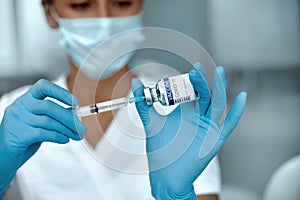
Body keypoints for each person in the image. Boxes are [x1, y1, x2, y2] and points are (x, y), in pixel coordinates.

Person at [0, 0, 247, 199]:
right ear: (49, 13)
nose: (105, 21)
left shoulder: (178, 108)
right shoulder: (17, 117)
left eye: (122, 3)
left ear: (141, 6)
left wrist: (177, 198)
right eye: (81, 5)